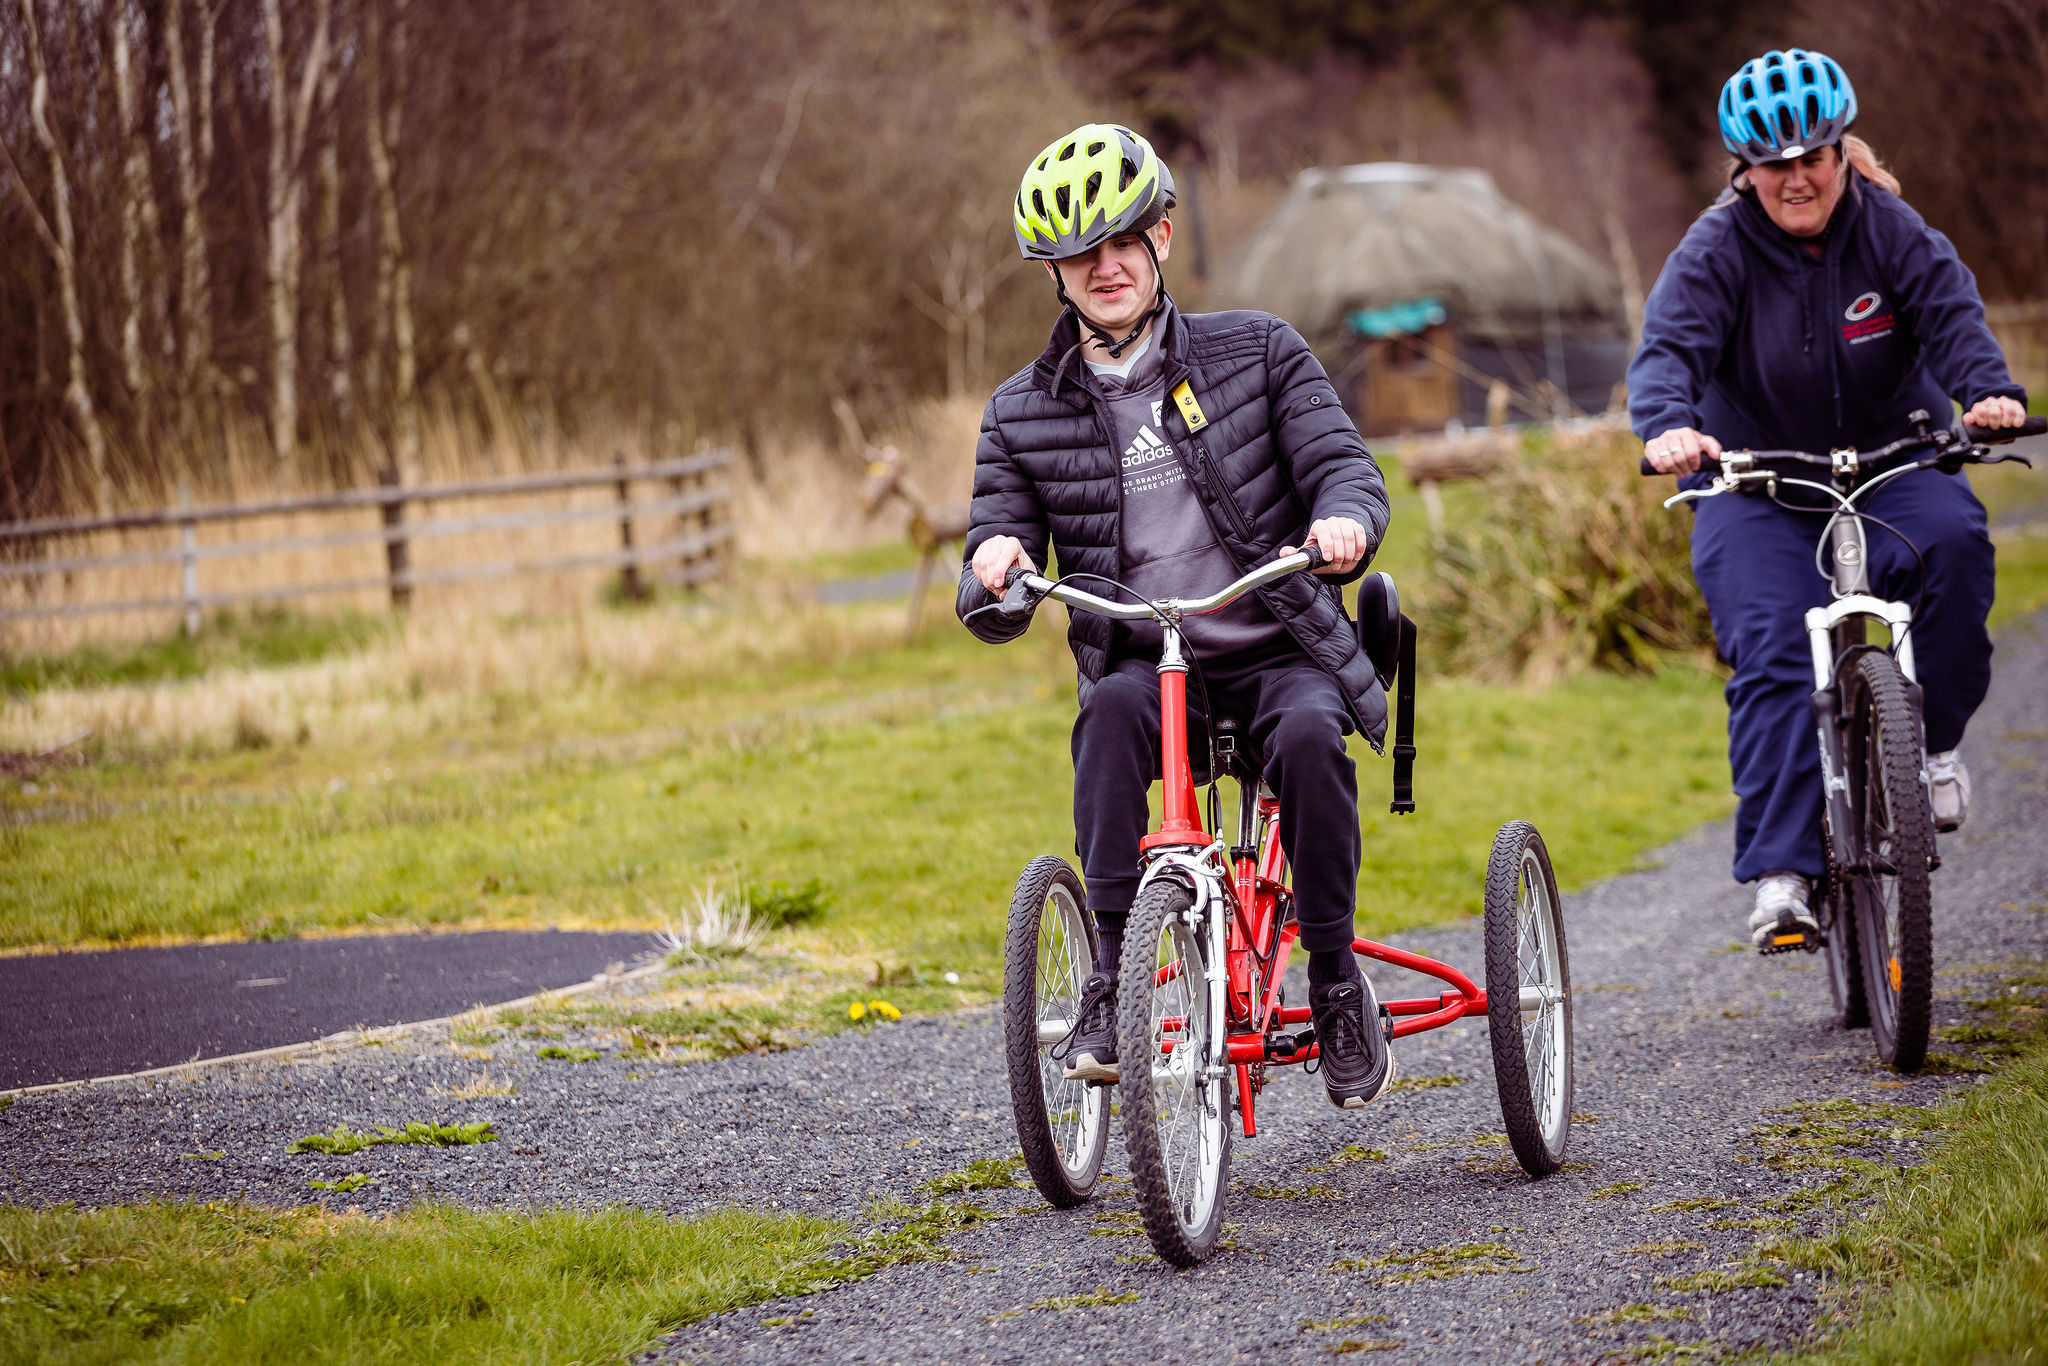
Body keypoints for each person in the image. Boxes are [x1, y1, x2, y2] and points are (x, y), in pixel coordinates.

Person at [956, 123, 1396, 1107]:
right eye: (1079, 253)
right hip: (1144, 664)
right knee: (1106, 721)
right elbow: (993, 545)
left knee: (1311, 737)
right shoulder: (1019, 412)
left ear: (1159, 237)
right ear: (1053, 270)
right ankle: (1110, 981)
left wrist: (1339, 521)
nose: (1103, 267)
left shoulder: (1259, 351)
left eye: (1121, 242)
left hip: (1273, 641)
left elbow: (1342, 467)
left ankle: (1330, 979)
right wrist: (994, 568)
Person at [1629, 49, 2029, 949]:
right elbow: (1668, 353)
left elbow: (1952, 316)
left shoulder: (1890, 229)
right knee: (1771, 647)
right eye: (1777, 164)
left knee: (1957, 552)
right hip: (1757, 478)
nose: (1798, 178)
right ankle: (1781, 873)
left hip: (1894, 458)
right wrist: (1667, 427)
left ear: (1842, 153)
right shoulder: (1717, 249)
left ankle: (1930, 748)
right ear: (1748, 171)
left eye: (1814, 156)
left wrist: (1986, 393)